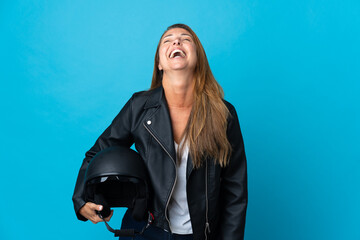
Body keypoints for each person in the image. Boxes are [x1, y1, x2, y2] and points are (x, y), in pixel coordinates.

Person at [72, 23, 248, 240]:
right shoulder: (139, 107)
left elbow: (235, 190)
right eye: (168, 40)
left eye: (186, 39)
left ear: (198, 59)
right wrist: (81, 200)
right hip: (144, 231)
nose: (176, 41)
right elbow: (97, 153)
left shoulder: (224, 114)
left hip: (200, 235)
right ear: (160, 63)